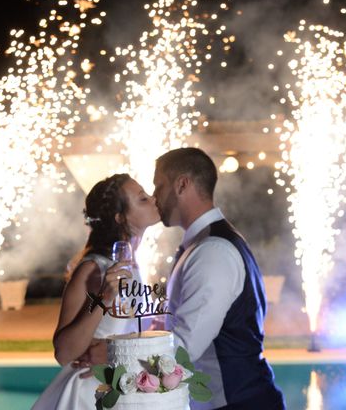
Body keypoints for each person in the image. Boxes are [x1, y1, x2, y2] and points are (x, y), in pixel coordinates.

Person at [153, 147, 285, 410]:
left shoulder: (213, 250)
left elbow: (184, 348)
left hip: (237, 403)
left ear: (181, 185)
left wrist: (117, 355)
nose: (154, 196)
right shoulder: (208, 244)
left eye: (159, 186)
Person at [31, 173, 160, 410]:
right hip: (93, 396)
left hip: (126, 387)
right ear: (120, 218)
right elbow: (64, 352)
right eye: (142, 199)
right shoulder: (93, 270)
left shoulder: (134, 266)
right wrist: (103, 298)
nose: (153, 199)